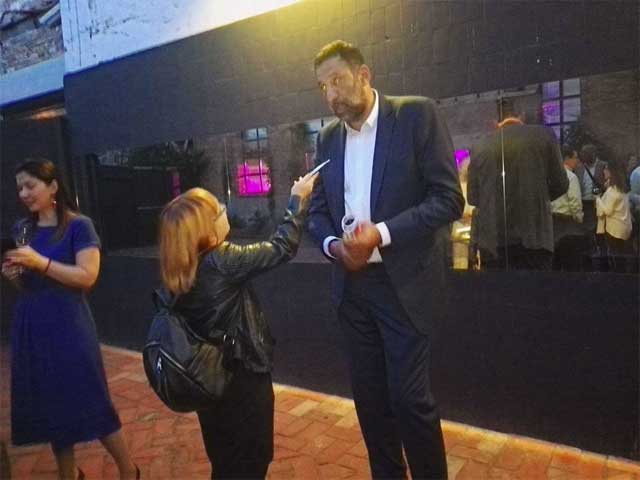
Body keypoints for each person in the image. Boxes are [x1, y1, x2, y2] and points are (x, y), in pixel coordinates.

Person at [308, 40, 464, 479]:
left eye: (337, 80)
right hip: (352, 288)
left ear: (364, 75)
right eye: (322, 87)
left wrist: (381, 233)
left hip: (404, 286)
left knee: (409, 401)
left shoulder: (415, 115)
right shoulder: (327, 138)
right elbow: (317, 213)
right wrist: (333, 247)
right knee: (370, 403)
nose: (331, 94)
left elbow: (449, 199)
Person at [157, 173, 316, 479]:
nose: (224, 211)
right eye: (218, 210)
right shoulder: (221, 260)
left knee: (224, 459)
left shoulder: (179, 268)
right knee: (252, 460)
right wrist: (298, 198)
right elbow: (282, 246)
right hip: (242, 376)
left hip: (207, 378)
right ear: (204, 231)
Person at [1, 158, 138, 480]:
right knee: (53, 406)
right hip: (32, 322)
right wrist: (13, 276)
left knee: (92, 399)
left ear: (53, 186)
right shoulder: (22, 229)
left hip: (68, 323)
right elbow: (26, 285)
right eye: (19, 188)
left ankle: (128, 470)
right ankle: (69, 475)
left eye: (30, 185)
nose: (23, 194)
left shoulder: (79, 226)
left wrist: (40, 262)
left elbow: (87, 276)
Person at [467, 110, 568, 270]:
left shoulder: (480, 145)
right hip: (535, 236)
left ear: (494, 121)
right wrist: (537, 197)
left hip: (493, 242)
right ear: (522, 116)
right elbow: (561, 184)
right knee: (535, 285)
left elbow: (473, 197)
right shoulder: (544, 136)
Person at [551, 146, 584, 270]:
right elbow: (575, 201)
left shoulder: (550, 175)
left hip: (552, 220)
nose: (577, 161)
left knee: (555, 261)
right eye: (575, 158)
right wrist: (579, 218)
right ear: (567, 158)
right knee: (569, 261)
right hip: (567, 222)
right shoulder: (571, 177)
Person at [596, 162, 633, 271]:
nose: (604, 171)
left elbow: (607, 211)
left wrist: (597, 199)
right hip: (623, 228)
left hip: (614, 230)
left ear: (612, 172)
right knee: (621, 258)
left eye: (606, 169)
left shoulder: (613, 191)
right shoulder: (621, 188)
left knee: (616, 259)